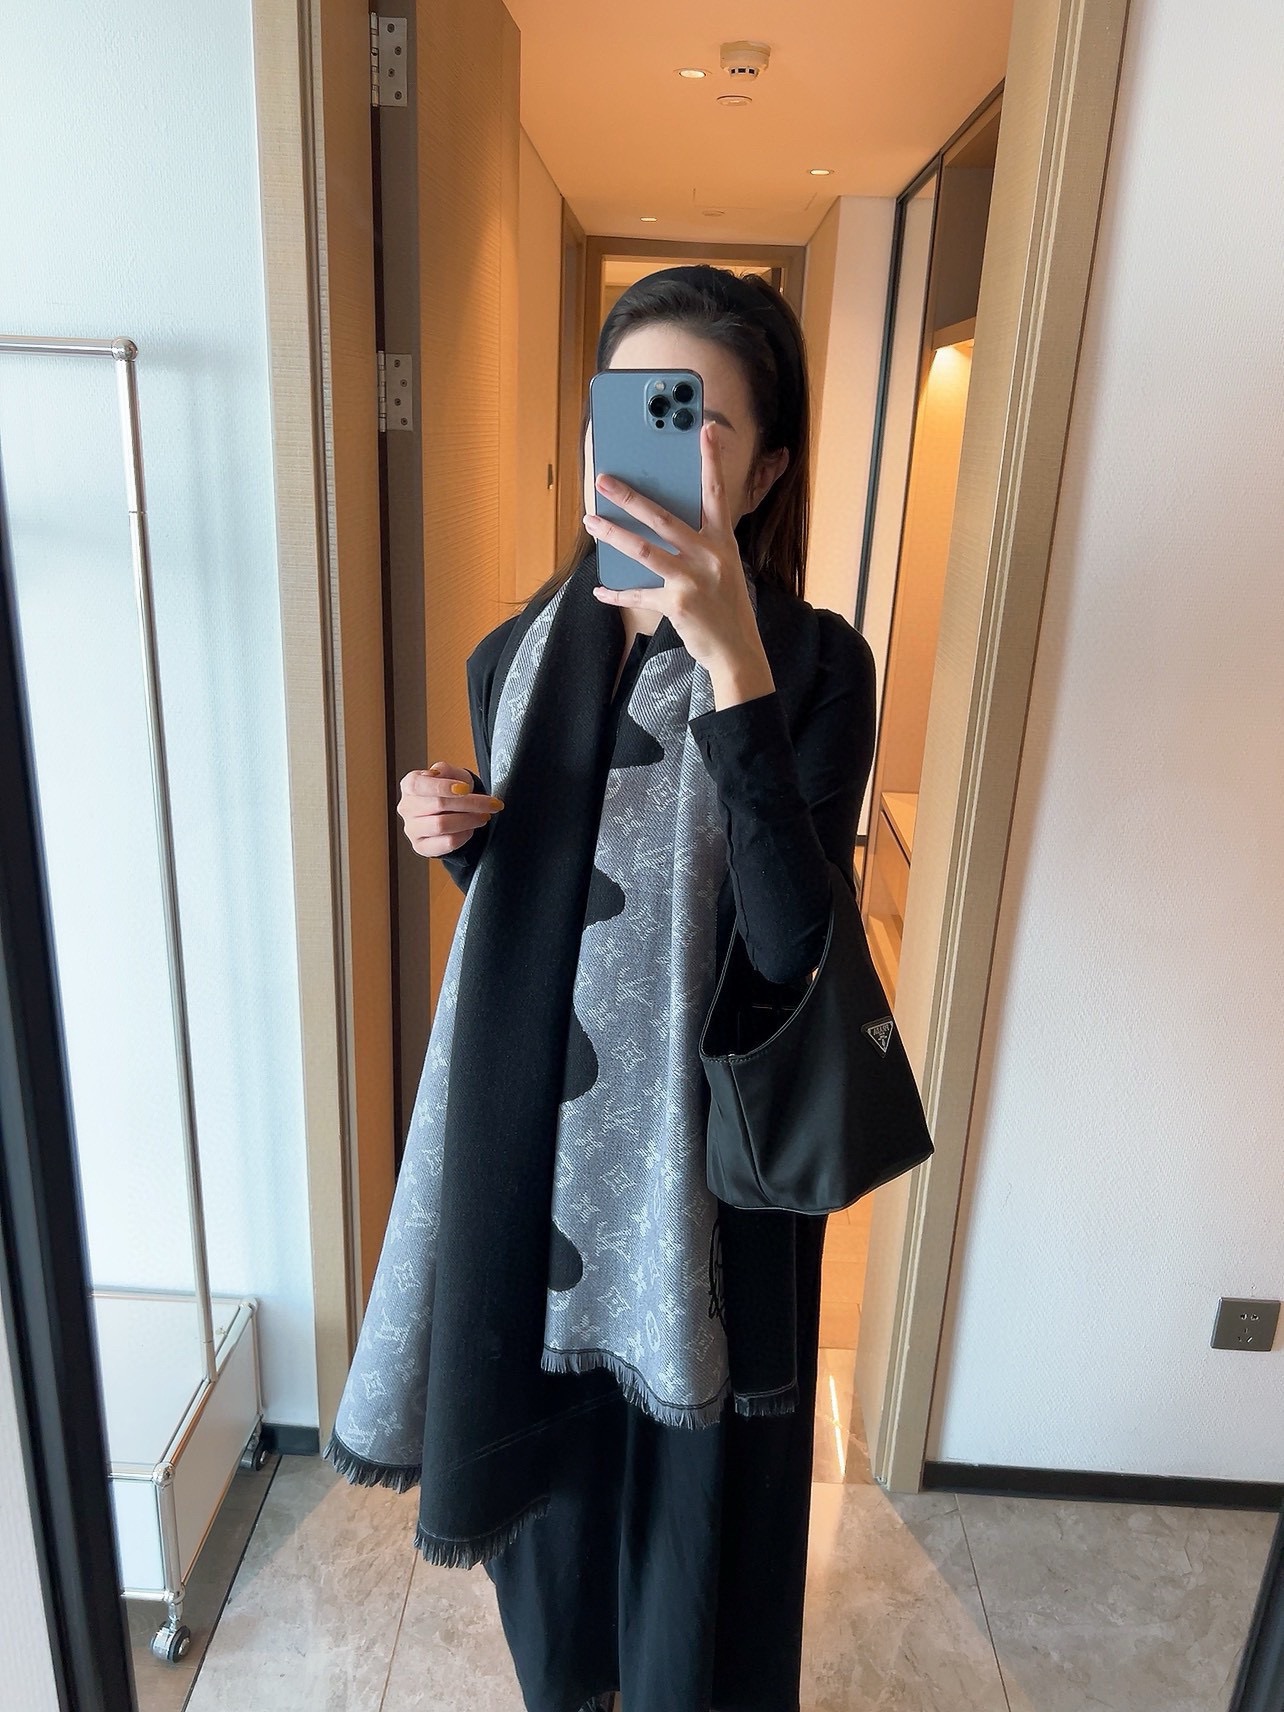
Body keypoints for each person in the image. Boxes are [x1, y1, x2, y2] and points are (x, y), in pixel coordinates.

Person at [325, 265, 877, 1712]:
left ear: (768, 470)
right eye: (627, 408)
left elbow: (792, 946)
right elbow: (550, 911)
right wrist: (458, 835)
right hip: (537, 1181)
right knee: (555, 1565)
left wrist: (731, 659)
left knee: (698, 1579)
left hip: (711, 1196)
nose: (651, 444)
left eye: (697, 419)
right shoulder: (517, 651)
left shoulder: (818, 665)